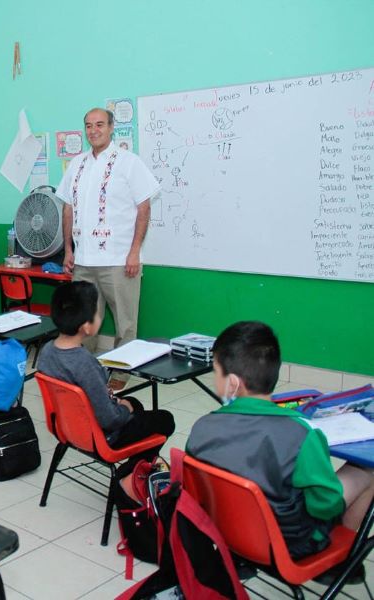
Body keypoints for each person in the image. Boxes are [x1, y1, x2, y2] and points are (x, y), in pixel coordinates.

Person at [187, 321, 374, 560]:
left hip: (226, 533)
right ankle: (343, 559)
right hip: (289, 547)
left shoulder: (202, 427)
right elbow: (325, 505)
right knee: (365, 472)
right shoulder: (302, 434)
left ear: (233, 383)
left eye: (215, 371)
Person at [57, 108, 159, 361]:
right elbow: (68, 208)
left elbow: (144, 208)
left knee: (125, 322)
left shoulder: (129, 162)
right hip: (83, 260)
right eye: (89, 126)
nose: (94, 130)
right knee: (83, 318)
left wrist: (135, 251)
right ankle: (82, 364)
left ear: (112, 127)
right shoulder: (77, 164)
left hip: (118, 260)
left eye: (100, 124)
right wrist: (68, 249)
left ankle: (123, 370)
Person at [37, 282, 174, 468]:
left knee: (135, 403)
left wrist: (119, 404)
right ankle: (131, 474)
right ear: (86, 326)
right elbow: (110, 420)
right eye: (97, 312)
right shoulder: (85, 363)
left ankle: (137, 467)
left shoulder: (47, 351)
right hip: (102, 436)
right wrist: (123, 408)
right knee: (164, 419)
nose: (99, 315)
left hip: (67, 428)